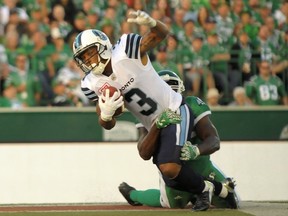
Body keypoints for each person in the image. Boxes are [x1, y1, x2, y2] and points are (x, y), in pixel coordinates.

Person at [73, 10, 234, 211]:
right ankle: (212, 188)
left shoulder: (124, 52)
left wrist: (153, 23)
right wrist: (106, 113)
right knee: (170, 178)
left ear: (103, 45)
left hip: (172, 109)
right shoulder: (91, 83)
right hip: (154, 124)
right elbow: (107, 123)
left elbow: (160, 34)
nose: (87, 60)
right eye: (83, 57)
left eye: (90, 52)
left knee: (168, 166)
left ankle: (205, 190)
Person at [118, 70, 239, 209]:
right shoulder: (147, 112)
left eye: (173, 90)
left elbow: (214, 140)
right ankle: (134, 195)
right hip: (176, 177)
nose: (169, 95)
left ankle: (204, 191)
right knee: (169, 203)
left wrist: (196, 150)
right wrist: (156, 126)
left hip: (203, 169)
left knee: (232, 204)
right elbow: (144, 153)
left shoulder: (192, 105)